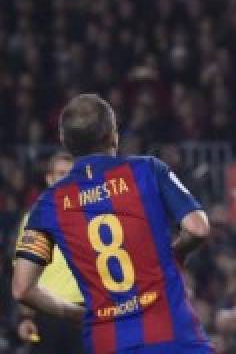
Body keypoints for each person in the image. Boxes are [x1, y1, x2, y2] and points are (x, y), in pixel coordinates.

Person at [10, 94, 212, 353]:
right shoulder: (148, 170)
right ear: (112, 135)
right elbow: (198, 228)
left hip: (107, 339)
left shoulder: (47, 205)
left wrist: (77, 314)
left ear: (66, 142)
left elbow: (22, 288)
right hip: (173, 333)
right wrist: (176, 253)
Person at [12, 150, 85, 354]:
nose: (66, 180)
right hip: (48, 315)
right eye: (61, 174)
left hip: (87, 315)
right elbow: (24, 277)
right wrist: (26, 317)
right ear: (49, 178)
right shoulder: (34, 219)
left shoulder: (96, 218)